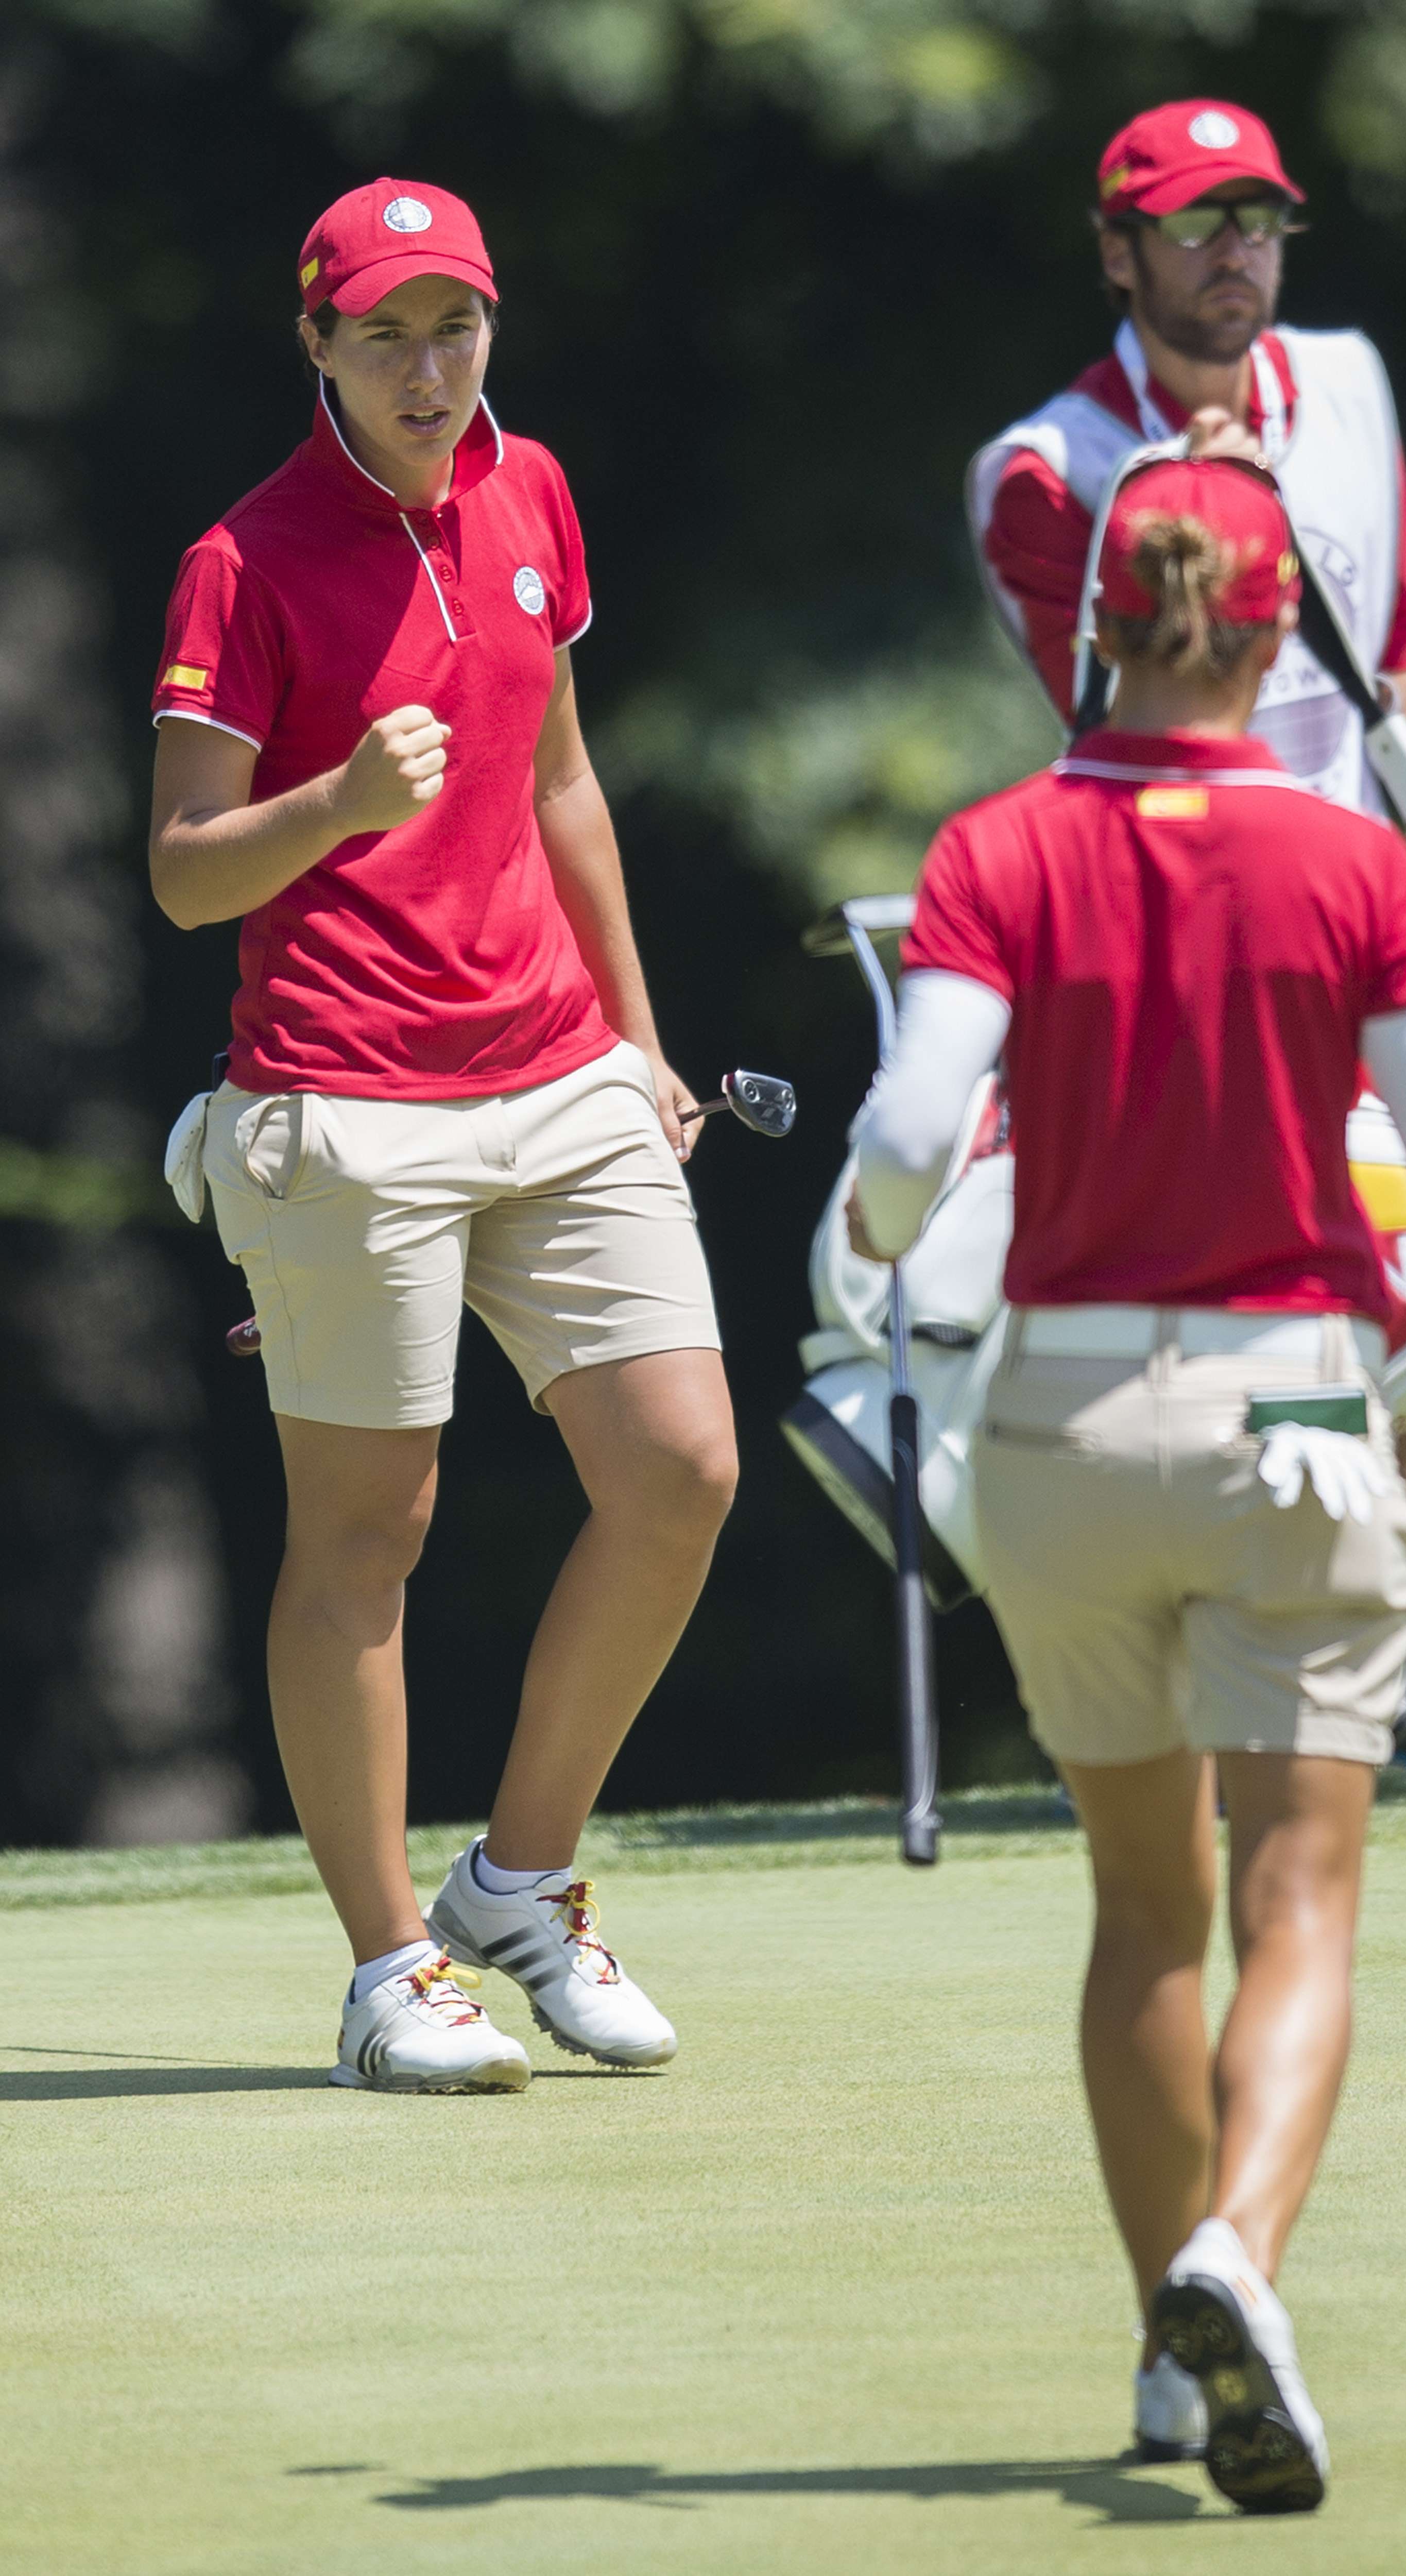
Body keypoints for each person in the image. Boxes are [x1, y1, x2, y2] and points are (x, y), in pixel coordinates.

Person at [850, 455, 1406, 2510]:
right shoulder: (1346, 863)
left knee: (1142, 1910)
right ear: (1268, 632)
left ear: (1100, 631)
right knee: (1297, 1889)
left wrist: (911, 1228)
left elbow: (902, 1158)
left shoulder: (996, 844)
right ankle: (1239, 2252)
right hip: (1300, 1409)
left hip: (1057, 1424)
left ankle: (1174, 2339)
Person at [149, 180, 737, 2093]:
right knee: (369, 1534)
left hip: (557, 1068)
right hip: (341, 1099)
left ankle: (522, 1879)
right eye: (387, 333)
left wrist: (641, 1040)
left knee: (680, 1472)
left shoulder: (528, 491)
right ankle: (390, 1965)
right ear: (315, 339)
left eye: (457, 328)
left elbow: (562, 778)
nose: (428, 370)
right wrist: (329, 800)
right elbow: (177, 875)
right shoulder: (240, 564)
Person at [967, 93, 1406, 1770]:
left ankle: (1379, 1639)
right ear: (1119, 248)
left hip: (1374, 881)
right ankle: (1212, 1650)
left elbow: (1401, 618)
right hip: (1178, 917)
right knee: (1245, 1262)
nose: (1237, 253)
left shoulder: (1348, 381)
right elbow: (1111, 697)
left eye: (1260, 220)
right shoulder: (1045, 466)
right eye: (1198, 222)